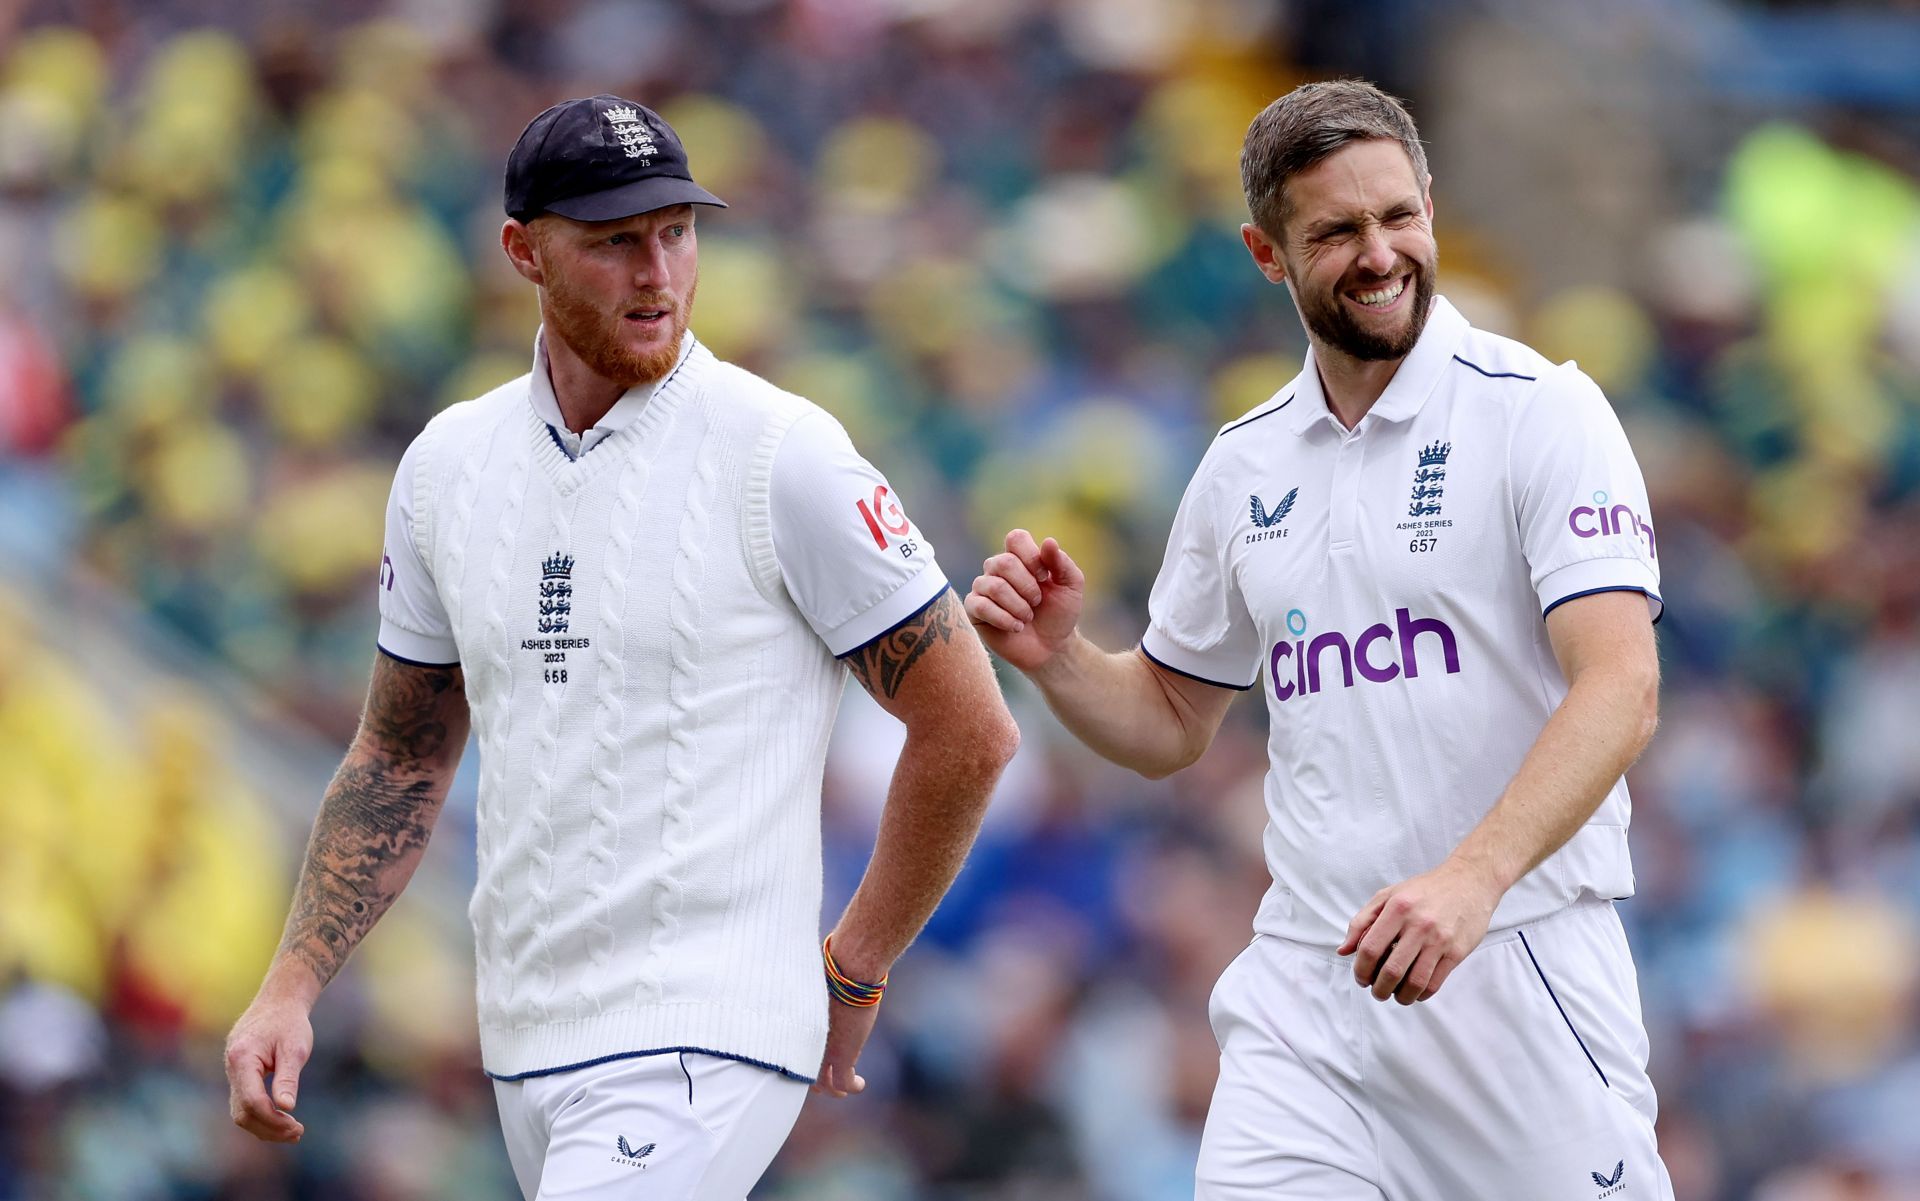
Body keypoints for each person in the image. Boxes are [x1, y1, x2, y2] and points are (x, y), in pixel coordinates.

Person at [224, 94, 1019, 1200]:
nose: (659, 272)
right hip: (526, 1036)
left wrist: (855, 964)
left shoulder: (782, 454)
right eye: (613, 242)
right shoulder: (448, 466)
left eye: (678, 232)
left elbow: (969, 727)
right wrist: (291, 987)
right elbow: (400, 756)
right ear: (524, 253)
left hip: (709, 1028)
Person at [966, 80, 1675, 1200]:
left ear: (1432, 206)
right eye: (1336, 231)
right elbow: (1167, 720)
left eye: (1398, 216)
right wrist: (1058, 657)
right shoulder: (1244, 464)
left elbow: (1623, 689)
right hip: (1309, 981)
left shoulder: (1541, 411)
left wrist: (1470, 881)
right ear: (1265, 252)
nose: (1381, 252)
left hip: (1513, 960)